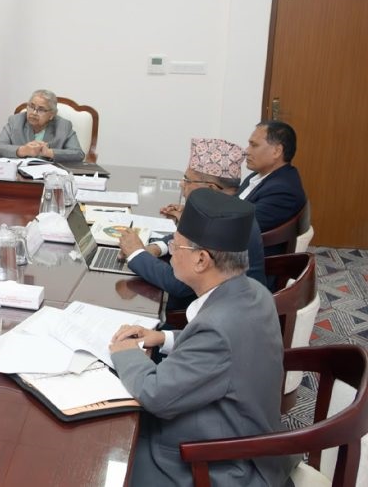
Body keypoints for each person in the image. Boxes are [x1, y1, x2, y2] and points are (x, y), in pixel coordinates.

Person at [109, 188, 298, 486]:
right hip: (242, 431)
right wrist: (164, 338)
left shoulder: (217, 329)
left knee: (108, 450)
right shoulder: (253, 291)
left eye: (177, 245)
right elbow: (224, 349)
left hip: (219, 463)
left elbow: (155, 394)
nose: (171, 249)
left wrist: (125, 352)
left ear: (201, 260)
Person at [119, 138, 268, 310]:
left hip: (217, 313)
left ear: (211, 188)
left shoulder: (226, 222)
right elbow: (188, 238)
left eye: (187, 180)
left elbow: (179, 284)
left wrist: (136, 253)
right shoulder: (225, 209)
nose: (182, 184)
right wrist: (157, 248)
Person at [238, 120, 307, 255]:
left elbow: (241, 227)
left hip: (248, 259)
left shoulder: (283, 191)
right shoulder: (260, 175)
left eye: (254, 145)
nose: (247, 151)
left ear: (276, 151)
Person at [0, 89, 84, 162]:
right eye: (31, 107)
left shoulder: (63, 126)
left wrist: (49, 152)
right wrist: (22, 150)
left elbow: (78, 154)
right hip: (20, 175)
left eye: (41, 109)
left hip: (49, 174)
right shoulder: (15, 121)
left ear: (52, 115)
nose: (34, 113)